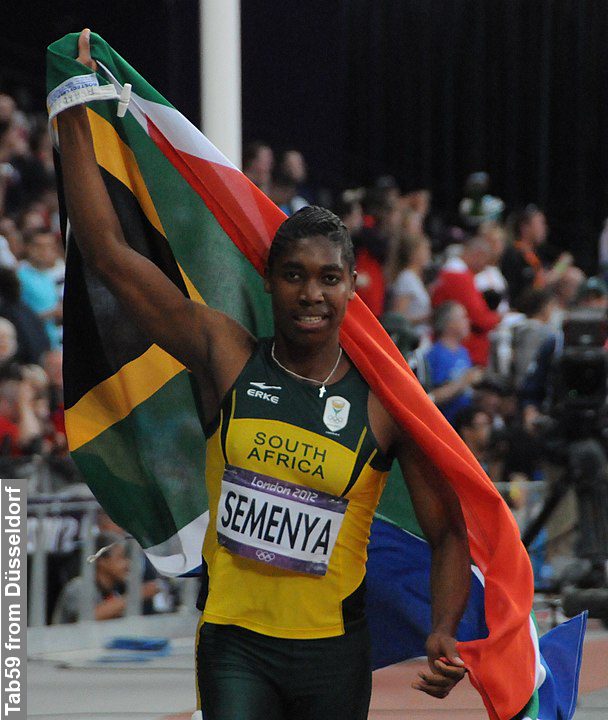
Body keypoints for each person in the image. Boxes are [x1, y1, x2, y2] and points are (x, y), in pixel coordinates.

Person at [55, 29, 470, 720]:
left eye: (329, 278)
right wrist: (74, 104)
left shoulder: (383, 403)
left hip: (333, 657)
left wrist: (445, 627)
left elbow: (449, 532)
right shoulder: (227, 354)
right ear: (269, 282)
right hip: (235, 646)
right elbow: (109, 256)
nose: (312, 293)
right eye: (295, 276)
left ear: (352, 289)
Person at [431, 237, 501, 365]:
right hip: (458, 352)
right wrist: (500, 318)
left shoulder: (449, 273)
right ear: (478, 255)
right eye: (486, 260)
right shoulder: (459, 277)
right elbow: (479, 319)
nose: (485, 267)